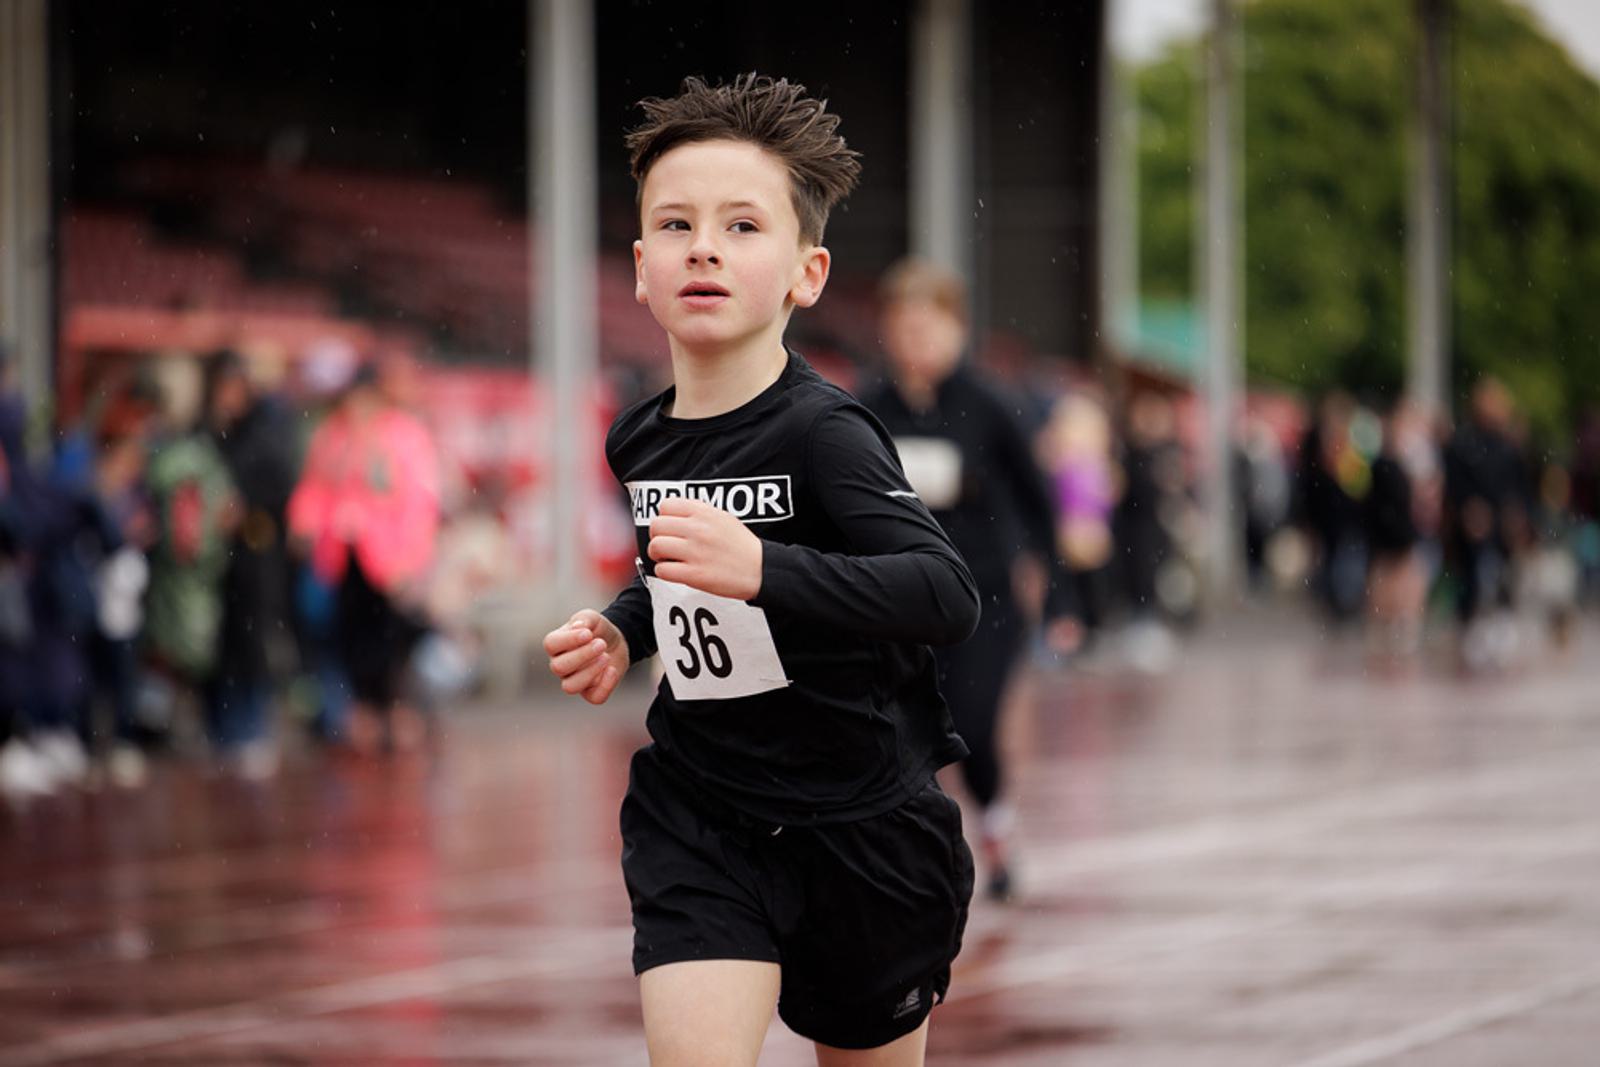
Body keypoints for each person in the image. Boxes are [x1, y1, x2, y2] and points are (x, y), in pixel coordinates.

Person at [542, 75, 980, 1066]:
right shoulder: (638, 441)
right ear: (642, 270)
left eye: (742, 226)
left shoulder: (827, 433)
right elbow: (677, 574)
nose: (704, 244)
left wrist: (767, 568)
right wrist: (624, 625)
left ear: (806, 273)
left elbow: (944, 593)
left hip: (860, 825)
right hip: (700, 812)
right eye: (676, 223)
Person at [859, 258, 1079, 904]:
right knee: (899, 733)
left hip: (984, 598)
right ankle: (910, 857)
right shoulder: (866, 408)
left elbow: (1042, 508)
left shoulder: (991, 404)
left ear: (956, 329)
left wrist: (1064, 597)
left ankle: (995, 824)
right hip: (897, 599)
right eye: (902, 327)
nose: (914, 341)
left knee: (971, 727)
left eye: (928, 327)